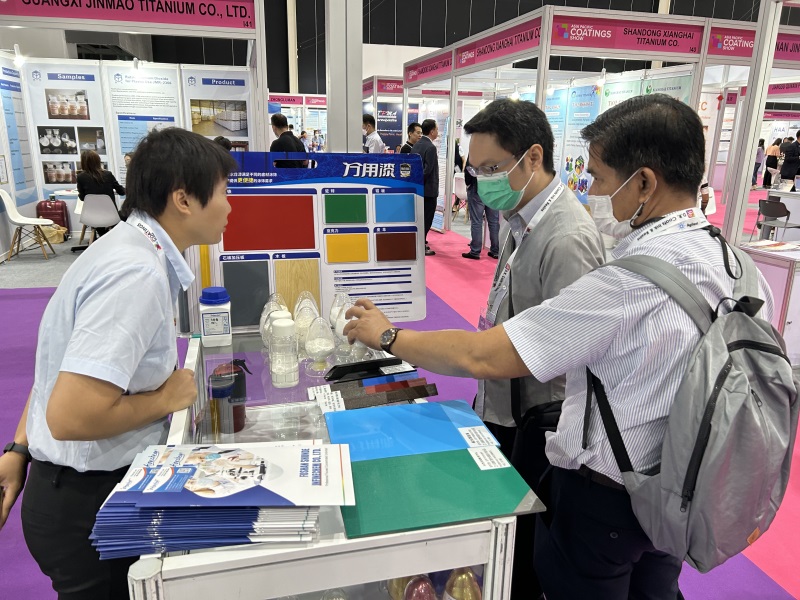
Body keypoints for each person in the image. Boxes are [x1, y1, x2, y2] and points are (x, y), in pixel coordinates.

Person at [342, 94, 773, 600]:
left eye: (602, 178)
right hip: (681, 487)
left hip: (610, 496)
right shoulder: (737, 266)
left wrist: (391, 337)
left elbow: (486, 355)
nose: (593, 191)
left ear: (645, 183)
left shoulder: (628, 278)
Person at [0, 128, 237, 599]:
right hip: (88, 508)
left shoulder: (128, 249)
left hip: (75, 490)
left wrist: (19, 446)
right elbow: (70, 416)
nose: (230, 206)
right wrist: (165, 399)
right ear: (184, 199)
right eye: (224, 192)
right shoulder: (135, 273)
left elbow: (60, 368)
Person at [459, 99, 605, 598]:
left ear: (533, 158)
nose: (481, 182)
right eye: (475, 170)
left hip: (538, 425)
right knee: (501, 544)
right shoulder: (521, 220)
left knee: (521, 558)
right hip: (503, 407)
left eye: (493, 168)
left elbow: (569, 353)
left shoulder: (566, 238)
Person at [77, 149, 126, 238]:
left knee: (99, 223)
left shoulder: (80, 177)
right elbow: (121, 192)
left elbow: (82, 198)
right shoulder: (108, 174)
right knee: (123, 215)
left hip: (92, 216)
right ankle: (110, 237)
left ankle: (102, 237)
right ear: (98, 161)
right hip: (111, 215)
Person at [460, 155, 500, 261]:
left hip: (477, 187)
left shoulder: (477, 149)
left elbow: (469, 169)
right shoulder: (498, 150)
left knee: (477, 221)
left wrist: (469, 184)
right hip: (493, 189)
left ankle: (475, 251)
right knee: (494, 222)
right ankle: (495, 251)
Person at [412, 119, 439, 256]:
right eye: (437, 130)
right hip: (428, 190)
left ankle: (419, 243)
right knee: (427, 219)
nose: (438, 132)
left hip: (417, 189)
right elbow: (428, 170)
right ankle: (421, 246)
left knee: (419, 219)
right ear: (432, 131)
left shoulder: (416, 145)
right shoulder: (431, 147)